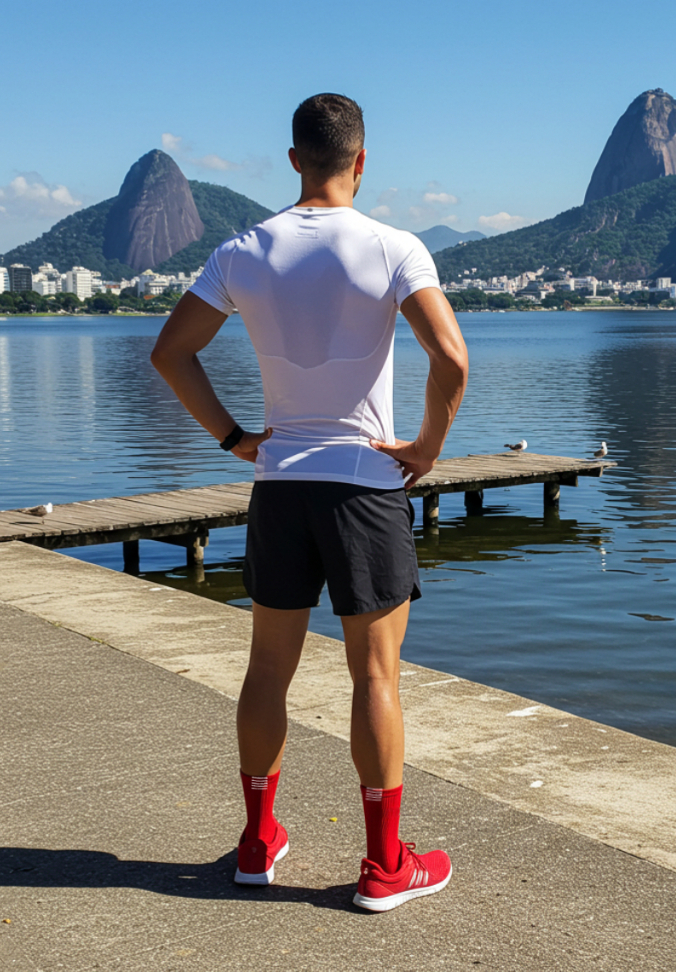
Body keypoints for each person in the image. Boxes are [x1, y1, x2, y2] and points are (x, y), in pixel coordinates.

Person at [150, 93, 468, 911]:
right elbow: (452, 359)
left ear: (293, 159)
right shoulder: (394, 247)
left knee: (267, 670)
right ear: (362, 161)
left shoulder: (242, 251)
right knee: (375, 674)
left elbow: (171, 353)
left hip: (280, 484)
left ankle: (258, 843)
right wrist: (427, 448)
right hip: (365, 486)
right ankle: (384, 866)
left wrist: (233, 437)